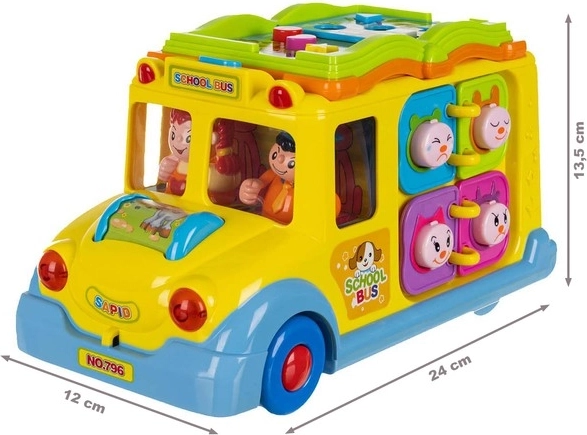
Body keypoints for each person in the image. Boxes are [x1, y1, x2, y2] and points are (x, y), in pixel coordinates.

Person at [239, 131, 296, 224]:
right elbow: (259, 185)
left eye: (291, 163)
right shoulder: (272, 174)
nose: (279, 160)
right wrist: (249, 189)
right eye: (275, 154)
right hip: (265, 220)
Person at [158, 108, 191, 196]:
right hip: (170, 199)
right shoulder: (175, 160)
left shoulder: (212, 165)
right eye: (173, 135)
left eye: (188, 138)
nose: (178, 139)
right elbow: (163, 178)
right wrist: (164, 170)